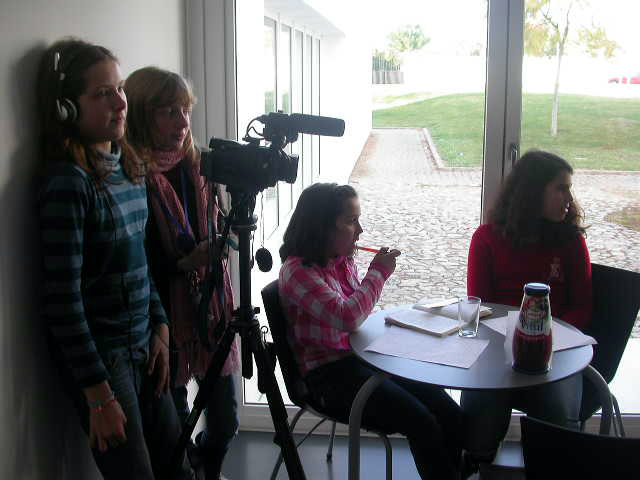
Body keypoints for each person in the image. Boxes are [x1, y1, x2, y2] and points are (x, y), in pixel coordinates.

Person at [37, 38, 193, 479]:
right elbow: (62, 303)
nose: (120, 103)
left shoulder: (131, 168)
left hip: (146, 345)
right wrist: (99, 396)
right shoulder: (68, 184)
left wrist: (160, 327)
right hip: (105, 362)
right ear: (66, 108)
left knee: (178, 469)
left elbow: (140, 262)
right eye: (103, 93)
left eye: (119, 89)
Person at [279, 182, 464, 480]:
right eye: (351, 221)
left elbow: (359, 312)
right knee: (422, 422)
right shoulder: (298, 271)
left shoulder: (339, 260)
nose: (360, 230)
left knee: (448, 411)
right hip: (328, 376)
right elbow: (348, 317)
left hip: (361, 359)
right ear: (322, 226)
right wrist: (378, 273)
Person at [124, 66, 239, 480]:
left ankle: (207, 463)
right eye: (168, 112)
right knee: (175, 425)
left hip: (210, 310)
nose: (182, 122)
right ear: (142, 115)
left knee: (226, 420)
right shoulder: (130, 176)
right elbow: (133, 261)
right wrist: (185, 263)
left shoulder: (200, 166)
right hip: (161, 318)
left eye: (185, 111)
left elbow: (216, 221)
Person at [461, 150, 592, 465]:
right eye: (561, 188)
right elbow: (482, 306)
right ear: (533, 193)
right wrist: (515, 341)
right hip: (497, 351)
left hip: (556, 351)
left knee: (557, 417)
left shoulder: (570, 241)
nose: (569, 198)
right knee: (481, 415)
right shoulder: (487, 239)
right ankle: (478, 460)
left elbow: (582, 307)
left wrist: (542, 338)